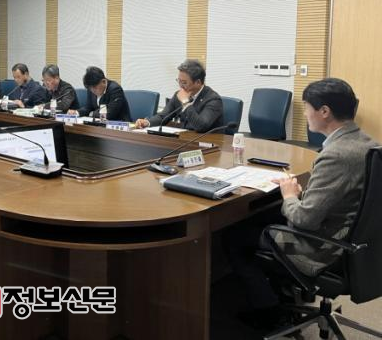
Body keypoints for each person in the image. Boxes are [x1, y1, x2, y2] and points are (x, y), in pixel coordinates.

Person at [225, 78, 378, 329]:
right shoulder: (368, 144)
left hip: (325, 248)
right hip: (358, 244)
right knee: (264, 218)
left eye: (307, 108)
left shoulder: (336, 155)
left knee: (235, 237)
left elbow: (305, 220)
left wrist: (289, 195)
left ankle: (269, 311)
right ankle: (286, 294)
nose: (305, 114)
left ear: (324, 111)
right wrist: (300, 196)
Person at [134, 59, 223, 132]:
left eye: (184, 82)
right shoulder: (179, 95)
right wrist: (147, 122)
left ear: (198, 82)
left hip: (208, 143)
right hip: (184, 139)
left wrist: (186, 103)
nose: (180, 86)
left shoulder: (213, 100)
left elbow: (201, 126)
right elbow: (163, 116)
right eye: (179, 81)